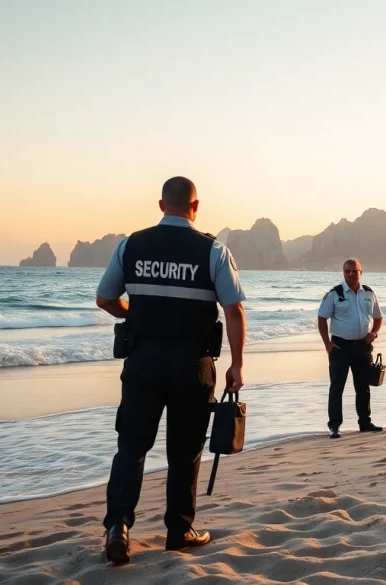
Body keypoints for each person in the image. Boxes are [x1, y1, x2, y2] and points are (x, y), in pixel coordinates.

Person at [95, 176, 247, 565]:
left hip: (142, 360)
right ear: (195, 208)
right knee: (185, 450)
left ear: (161, 205)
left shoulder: (131, 245)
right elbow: (233, 310)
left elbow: (105, 298)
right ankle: (179, 531)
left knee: (131, 447)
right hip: (193, 365)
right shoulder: (213, 250)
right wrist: (237, 364)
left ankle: (118, 528)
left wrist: (133, 312)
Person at [317, 258, 384, 438]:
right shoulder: (334, 294)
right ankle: (334, 426)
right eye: (347, 271)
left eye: (354, 271)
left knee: (363, 387)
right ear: (343, 272)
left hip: (363, 347)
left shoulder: (369, 294)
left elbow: (378, 317)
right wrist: (327, 345)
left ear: (360, 272)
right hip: (340, 347)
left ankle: (365, 422)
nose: (351, 274)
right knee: (337, 387)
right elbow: (322, 318)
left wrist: (375, 333)